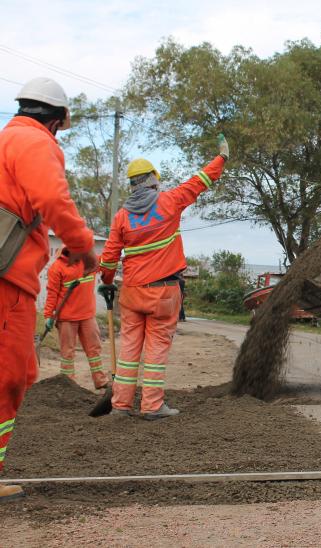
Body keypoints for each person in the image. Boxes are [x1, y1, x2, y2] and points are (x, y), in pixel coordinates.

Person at [0, 77, 97, 502]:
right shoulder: (35, 144)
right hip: (8, 283)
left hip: (11, 282)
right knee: (8, 378)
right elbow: (54, 201)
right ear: (58, 121)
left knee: (21, 370)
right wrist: (83, 247)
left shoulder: (6, 139)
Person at [99, 135, 229, 420]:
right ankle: (152, 406)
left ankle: (120, 405)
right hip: (163, 293)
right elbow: (199, 182)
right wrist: (221, 158)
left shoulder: (121, 217)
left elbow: (108, 258)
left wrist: (107, 282)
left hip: (131, 293)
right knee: (156, 349)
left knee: (130, 348)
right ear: (154, 180)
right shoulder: (169, 202)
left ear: (132, 185)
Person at [44, 247, 108, 389]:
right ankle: (68, 385)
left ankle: (101, 382)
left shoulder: (90, 262)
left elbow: (107, 259)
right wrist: (48, 316)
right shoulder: (57, 268)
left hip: (87, 315)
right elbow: (52, 294)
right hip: (66, 318)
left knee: (94, 349)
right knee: (67, 352)